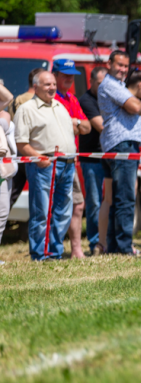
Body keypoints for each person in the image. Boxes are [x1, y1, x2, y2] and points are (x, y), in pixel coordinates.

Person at [13, 71, 77, 260]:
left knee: (63, 211)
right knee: (42, 211)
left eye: (53, 84)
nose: (52, 88)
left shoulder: (60, 106)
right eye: (47, 84)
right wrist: (39, 158)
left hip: (67, 164)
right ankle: (40, 253)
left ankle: (55, 251)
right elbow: (21, 143)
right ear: (36, 87)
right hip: (44, 165)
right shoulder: (27, 109)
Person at [99, 50, 141, 255]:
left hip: (121, 144)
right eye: (119, 65)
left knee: (118, 199)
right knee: (126, 197)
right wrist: (139, 105)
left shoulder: (120, 86)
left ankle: (114, 246)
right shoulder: (111, 84)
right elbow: (134, 107)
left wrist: (140, 107)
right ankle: (123, 247)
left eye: (125, 66)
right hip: (122, 144)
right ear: (109, 64)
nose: (122, 69)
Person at [52, 59, 91, 258]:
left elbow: (87, 127)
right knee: (55, 207)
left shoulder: (72, 98)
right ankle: (52, 250)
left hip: (71, 160)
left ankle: (76, 248)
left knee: (78, 205)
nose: (69, 78)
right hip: (53, 162)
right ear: (54, 75)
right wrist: (74, 124)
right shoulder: (51, 98)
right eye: (65, 74)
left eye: (71, 75)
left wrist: (73, 122)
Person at [78, 67, 108, 255]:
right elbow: (101, 126)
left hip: (109, 156)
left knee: (110, 200)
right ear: (91, 82)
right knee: (94, 202)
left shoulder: (108, 98)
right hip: (92, 158)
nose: (103, 87)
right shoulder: (86, 100)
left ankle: (107, 240)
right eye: (99, 83)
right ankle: (95, 243)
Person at [9, 67, 45, 210]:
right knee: (39, 198)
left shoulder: (17, 99)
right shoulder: (36, 101)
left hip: (16, 151)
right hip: (33, 151)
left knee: (10, 195)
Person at [0, 110, 18, 256]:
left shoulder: (3, 113)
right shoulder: (3, 117)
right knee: (2, 212)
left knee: (3, 213)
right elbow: (8, 97)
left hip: (6, 171)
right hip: (1, 172)